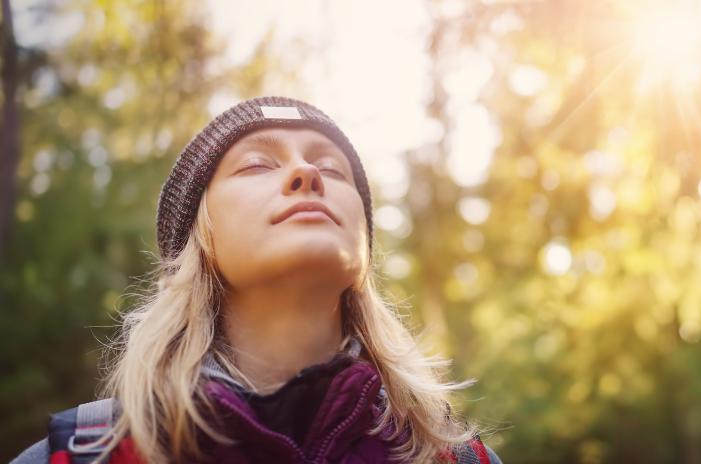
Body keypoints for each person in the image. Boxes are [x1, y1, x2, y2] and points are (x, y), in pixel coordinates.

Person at [11, 96, 501, 463]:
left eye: (332, 168)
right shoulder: (83, 456)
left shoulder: (454, 456)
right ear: (198, 240)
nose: (308, 172)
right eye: (258, 164)